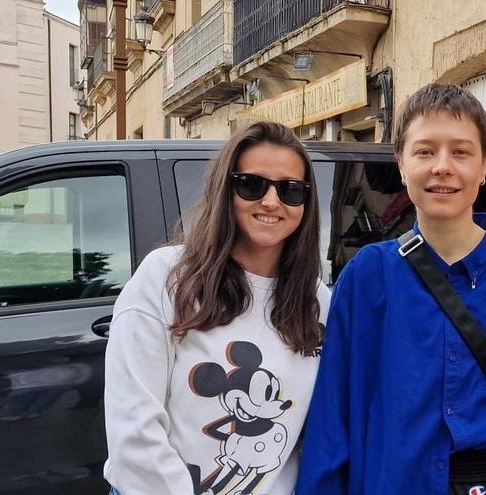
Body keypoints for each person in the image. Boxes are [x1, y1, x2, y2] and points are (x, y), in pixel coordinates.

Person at [296, 83, 486, 495]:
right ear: (402, 165)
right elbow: (332, 424)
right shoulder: (366, 277)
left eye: (461, 152)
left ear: (483, 166)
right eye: (425, 151)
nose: (443, 166)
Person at [103, 121, 331, 495]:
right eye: (252, 185)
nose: (272, 202)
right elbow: (134, 432)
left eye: (291, 190)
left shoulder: (317, 301)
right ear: (226, 190)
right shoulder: (167, 278)